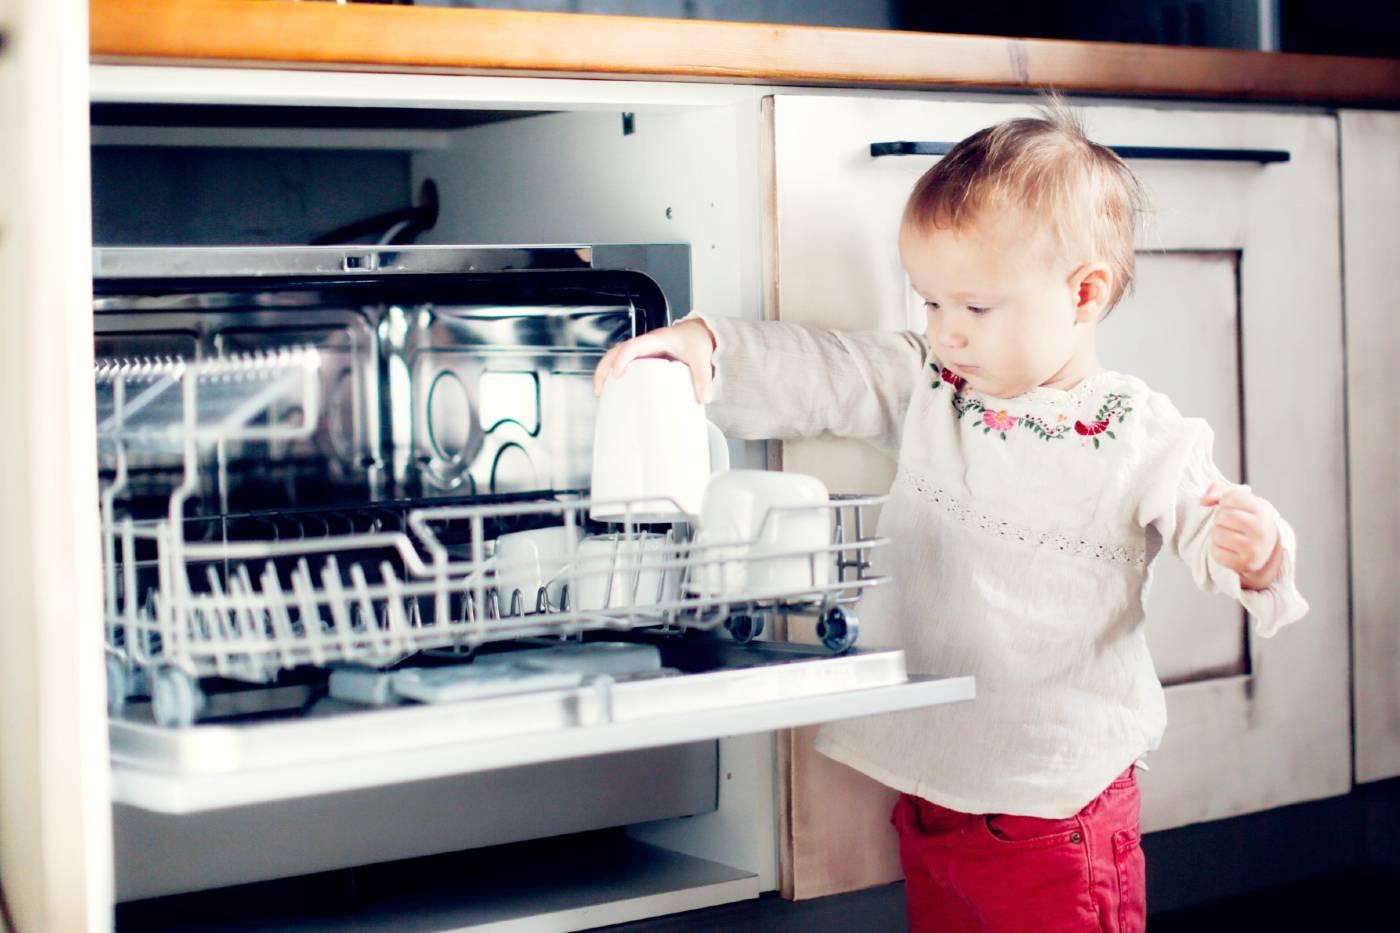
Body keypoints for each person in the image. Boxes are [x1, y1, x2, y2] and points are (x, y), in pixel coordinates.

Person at [591, 99, 1307, 933]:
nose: (946, 332)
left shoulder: (1137, 433)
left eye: (974, 308)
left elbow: (1206, 518)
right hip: (936, 798)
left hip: (1058, 812)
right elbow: (831, 372)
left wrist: (1252, 551)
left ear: (1083, 294)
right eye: (931, 304)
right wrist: (709, 351)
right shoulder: (935, 384)